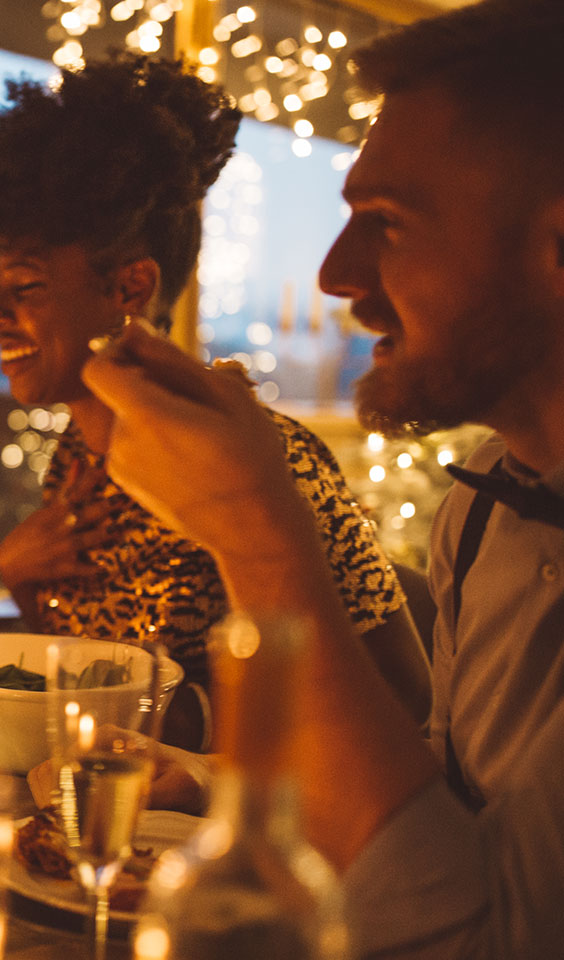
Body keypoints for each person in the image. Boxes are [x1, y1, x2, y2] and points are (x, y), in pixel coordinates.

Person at [73, 1, 564, 955]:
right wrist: (222, 783)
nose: (336, 275)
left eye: (386, 222)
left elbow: (478, 942)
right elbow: (440, 803)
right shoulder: (485, 511)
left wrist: (259, 532)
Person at [0, 53, 428, 726]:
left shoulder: (268, 460)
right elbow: (91, 674)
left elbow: (408, 705)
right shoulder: (77, 462)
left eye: (25, 288)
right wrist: (22, 579)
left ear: (130, 289)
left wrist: (189, 725)